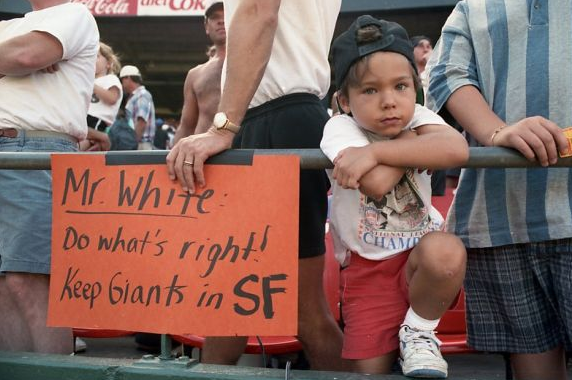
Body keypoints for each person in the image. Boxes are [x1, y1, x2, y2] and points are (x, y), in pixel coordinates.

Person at [166, 0, 345, 371]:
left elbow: (259, 11)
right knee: (228, 303)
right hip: (270, 117)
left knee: (303, 311)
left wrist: (223, 126)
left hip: (277, 117)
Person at [425, 1, 572, 379]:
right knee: (532, 369)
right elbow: (444, 74)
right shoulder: (472, 5)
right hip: (499, 216)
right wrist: (495, 130)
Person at [321, 16, 468, 377]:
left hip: (421, 263)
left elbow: (456, 148)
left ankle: (419, 331)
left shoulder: (417, 114)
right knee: (368, 372)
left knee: (446, 249)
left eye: (400, 86)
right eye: (370, 90)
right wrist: (412, 145)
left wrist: (374, 152)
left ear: (415, 88)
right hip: (367, 269)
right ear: (344, 100)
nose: (389, 102)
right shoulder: (340, 126)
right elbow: (374, 184)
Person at [0, 0, 99, 354]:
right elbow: (28, 56)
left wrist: (19, 59)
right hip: (22, 149)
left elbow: (26, 55)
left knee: (28, 279)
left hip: (32, 150)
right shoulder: (11, 26)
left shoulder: (74, 14)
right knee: (9, 283)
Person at [173, 0, 226, 143]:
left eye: (226, 14)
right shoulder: (194, 75)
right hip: (204, 158)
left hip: (245, 153)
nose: (221, 21)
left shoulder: (255, 62)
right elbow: (186, 126)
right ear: (206, 26)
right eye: (215, 17)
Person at [81, 41, 122, 151]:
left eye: (97, 57)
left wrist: (92, 85)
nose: (92, 60)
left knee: (82, 146)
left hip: (97, 119)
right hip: (84, 117)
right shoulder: (88, 80)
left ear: (108, 63)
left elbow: (112, 98)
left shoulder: (111, 79)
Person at [120, 64, 156, 150]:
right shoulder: (136, 96)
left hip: (141, 144)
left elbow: (141, 121)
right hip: (139, 143)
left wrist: (131, 142)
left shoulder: (142, 95)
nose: (122, 83)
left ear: (128, 78)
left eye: (122, 80)